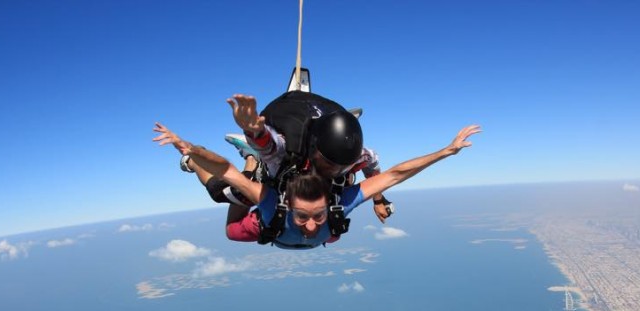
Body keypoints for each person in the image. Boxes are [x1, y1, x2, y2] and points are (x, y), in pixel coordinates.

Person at [155, 123, 481, 250]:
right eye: (302, 217)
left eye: (318, 216)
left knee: (334, 223)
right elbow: (225, 170)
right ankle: (252, 160)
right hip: (270, 213)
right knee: (226, 196)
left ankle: (255, 162)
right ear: (288, 208)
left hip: (284, 219)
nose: (311, 226)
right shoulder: (269, 203)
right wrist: (189, 151)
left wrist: (446, 152)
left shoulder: (342, 199)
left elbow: (394, 174)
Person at [226, 93, 394, 223]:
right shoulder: (291, 152)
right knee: (233, 223)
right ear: (313, 150)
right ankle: (251, 158)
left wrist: (378, 200)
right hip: (276, 166)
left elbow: (372, 164)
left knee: (332, 232)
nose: (333, 172)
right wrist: (255, 132)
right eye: (328, 164)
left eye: (341, 168)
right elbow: (271, 147)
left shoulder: (359, 155)